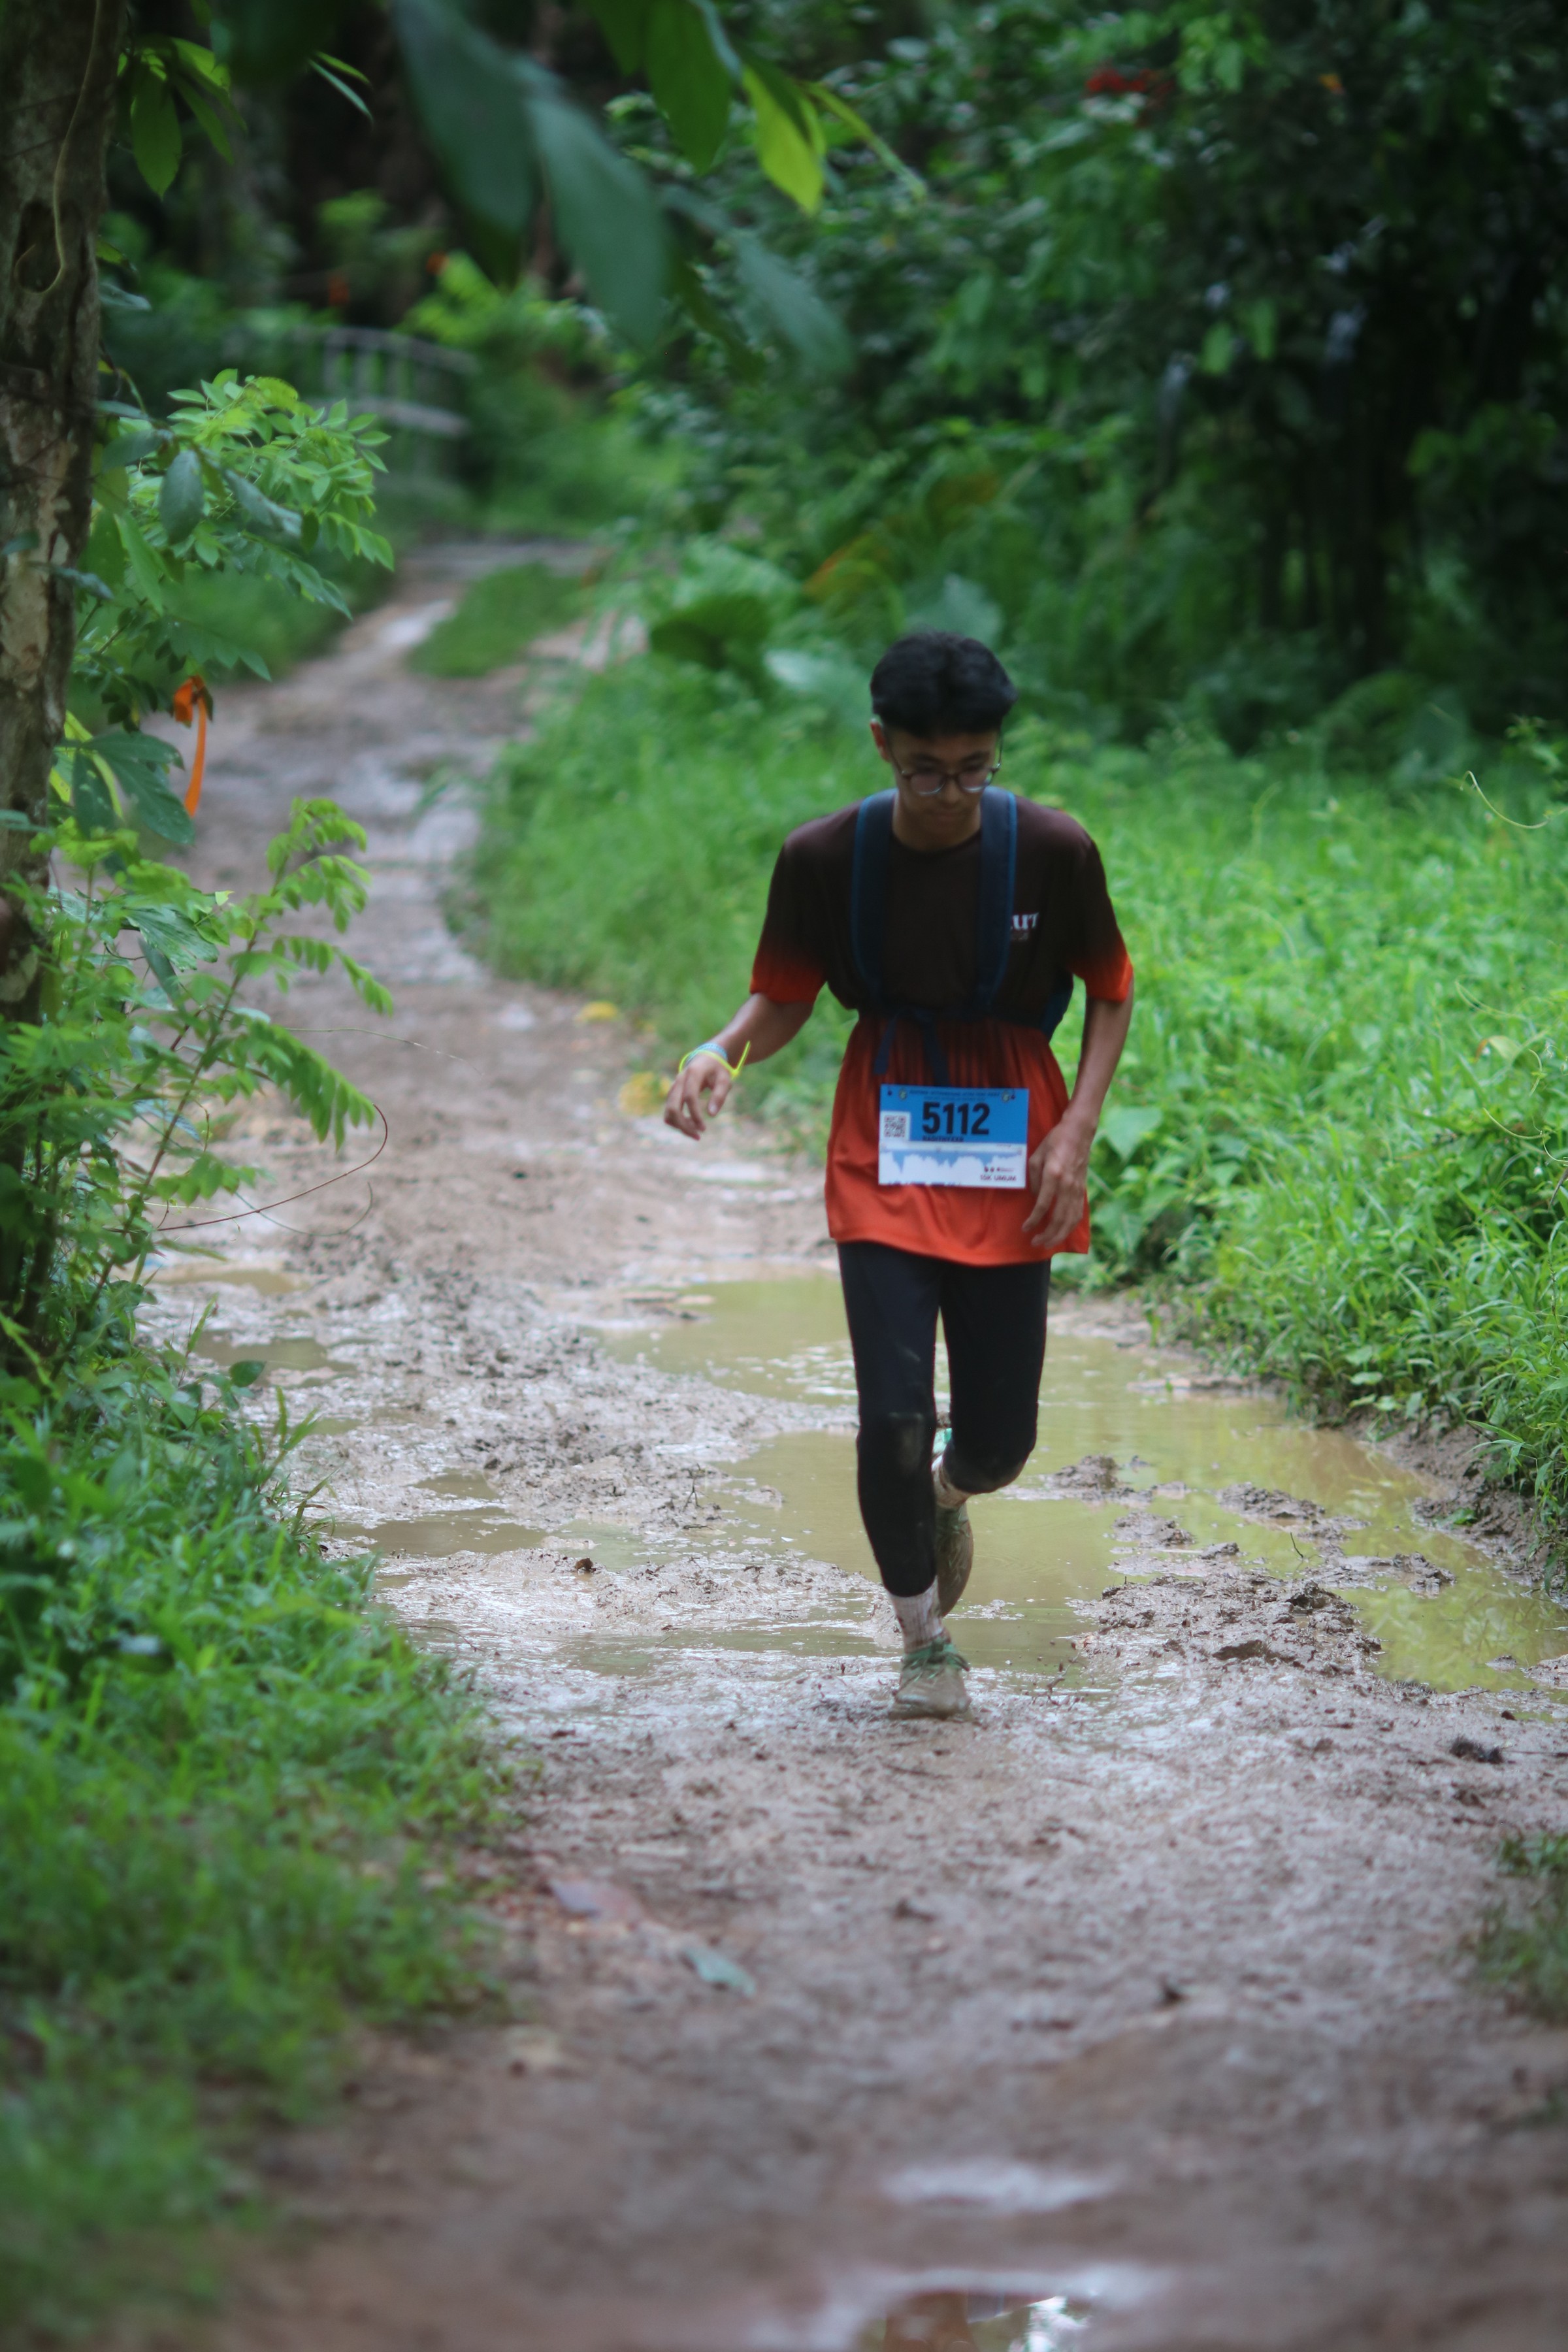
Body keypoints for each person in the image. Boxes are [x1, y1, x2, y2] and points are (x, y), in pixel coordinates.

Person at [664, 631, 1134, 1721]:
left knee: (1002, 1439)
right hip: (883, 1141)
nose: (952, 795)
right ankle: (925, 1641)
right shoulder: (825, 858)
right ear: (883, 745)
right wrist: (720, 1049)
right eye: (928, 771)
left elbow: (1110, 985)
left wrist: (1078, 1131)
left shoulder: (1055, 850)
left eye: (975, 769)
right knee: (891, 1414)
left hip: (1016, 1147)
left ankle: (952, 1493)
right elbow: (785, 993)